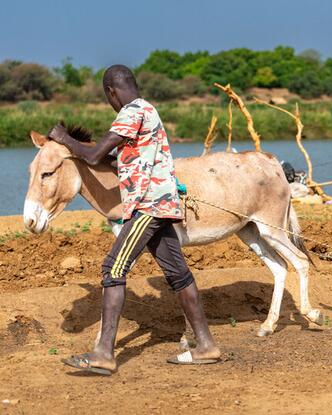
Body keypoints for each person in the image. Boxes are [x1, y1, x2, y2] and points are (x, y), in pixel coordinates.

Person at [49, 65, 220, 375]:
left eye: (108, 98)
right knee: (178, 274)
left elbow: (93, 156)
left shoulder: (132, 112)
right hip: (159, 204)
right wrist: (80, 147)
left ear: (111, 92)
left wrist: (64, 139)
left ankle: (104, 353)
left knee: (113, 268)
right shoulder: (147, 112)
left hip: (147, 206)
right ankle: (206, 345)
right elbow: (112, 159)